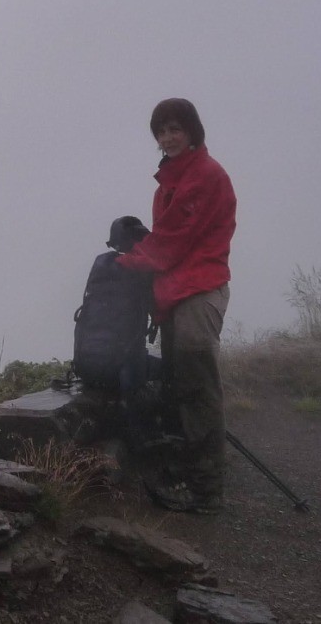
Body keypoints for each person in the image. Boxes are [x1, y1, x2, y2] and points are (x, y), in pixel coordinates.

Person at [116, 98, 237, 513]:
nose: (167, 138)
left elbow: (172, 242)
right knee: (177, 384)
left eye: (175, 129)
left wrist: (124, 264)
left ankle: (207, 491)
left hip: (200, 289)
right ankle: (187, 470)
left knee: (197, 387)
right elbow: (166, 240)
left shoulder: (204, 175)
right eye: (161, 131)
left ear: (192, 132)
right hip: (175, 292)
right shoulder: (168, 182)